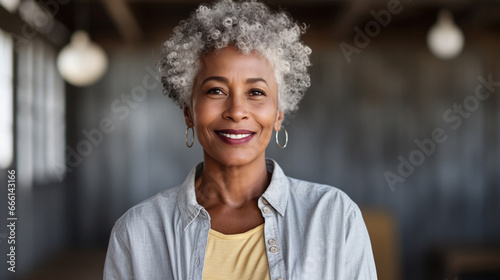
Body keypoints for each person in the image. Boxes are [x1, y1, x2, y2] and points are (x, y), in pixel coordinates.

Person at [103, 0, 377, 279]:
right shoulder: (138, 232)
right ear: (189, 113)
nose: (236, 111)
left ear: (279, 115)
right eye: (215, 91)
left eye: (256, 92)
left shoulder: (333, 217)